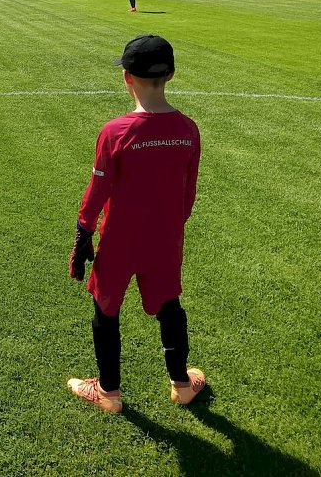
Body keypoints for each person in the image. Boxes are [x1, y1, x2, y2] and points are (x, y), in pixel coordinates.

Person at [66, 34, 205, 415]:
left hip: (119, 240)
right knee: (169, 305)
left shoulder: (115, 132)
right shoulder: (188, 129)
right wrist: (169, 225)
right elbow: (187, 195)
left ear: (126, 77)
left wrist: (84, 232)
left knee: (106, 308)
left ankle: (109, 393)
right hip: (164, 238)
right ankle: (181, 384)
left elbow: (97, 191)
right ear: (171, 75)